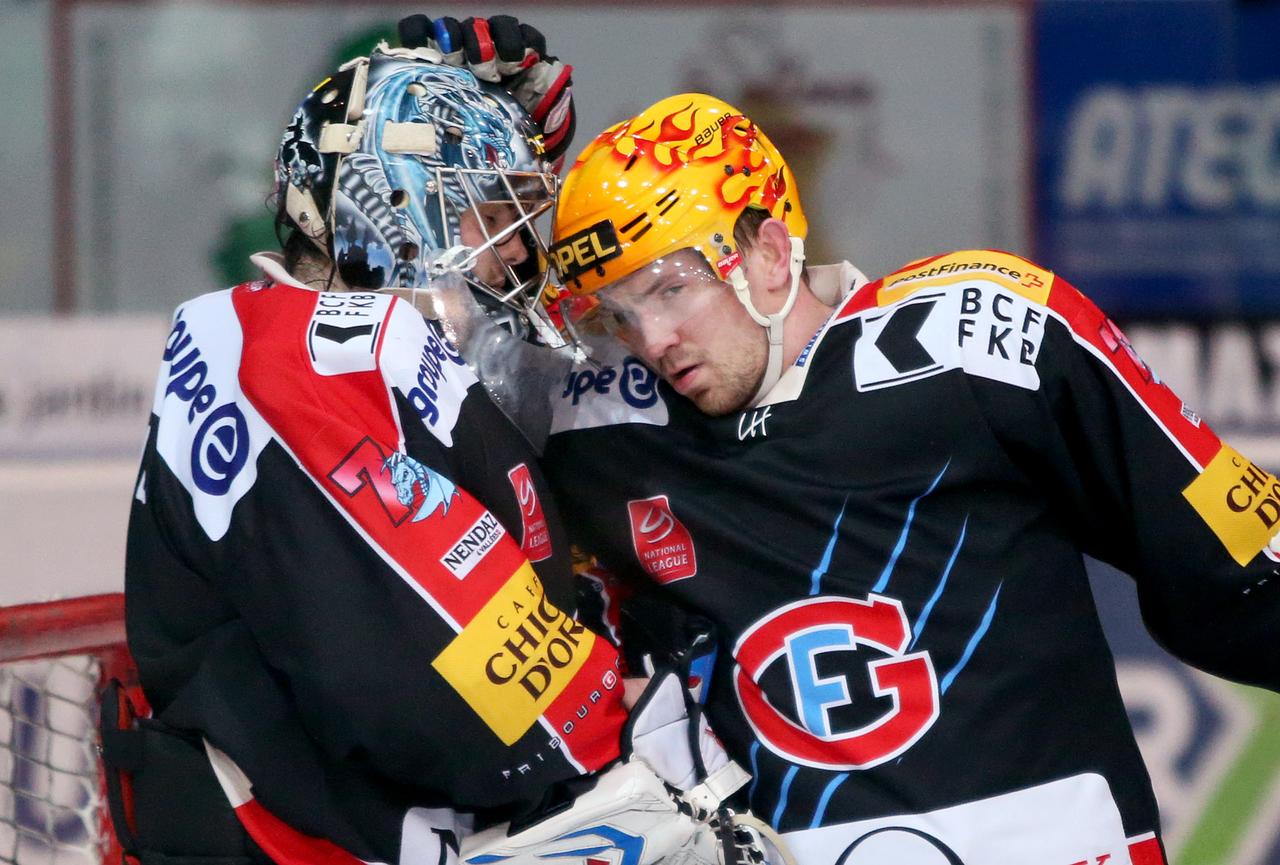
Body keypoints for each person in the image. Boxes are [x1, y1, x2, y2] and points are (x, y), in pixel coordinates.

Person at [526, 93, 1280, 865]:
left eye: (671, 289)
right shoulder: (596, 425)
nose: (651, 339)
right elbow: (434, 385)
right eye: (615, 315)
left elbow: (1239, 556)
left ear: (772, 252)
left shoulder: (980, 335)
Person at [122, 36, 749, 865]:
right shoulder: (297, 357)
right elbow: (454, 684)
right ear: (394, 214)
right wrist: (627, 725)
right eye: (491, 215)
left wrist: (464, 117)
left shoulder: (349, 357)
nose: (520, 250)